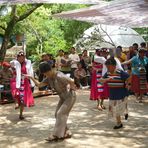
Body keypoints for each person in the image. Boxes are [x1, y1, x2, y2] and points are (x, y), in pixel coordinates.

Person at [25, 61, 76, 142]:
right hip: (62, 98)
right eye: (44, 73)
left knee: (60, 113)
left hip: (70, 97)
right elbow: (39, 85)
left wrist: (72, 87)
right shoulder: (49, 78)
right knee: (57, 114)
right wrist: (31, 77)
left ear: (50, 70)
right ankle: (67, 131)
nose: (45, 75)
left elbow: (71, 81)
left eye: (46, 73)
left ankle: (56, 135)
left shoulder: (59, 75)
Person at [100, 57, 129, 129]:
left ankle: (119, 123)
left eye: (109, 67)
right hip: (112, 94)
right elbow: (101, 80)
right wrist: (107, 79)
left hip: (121, 94)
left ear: (114, 66)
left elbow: (129, 77)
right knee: (114, 109)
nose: (108, 68)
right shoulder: (107, 73)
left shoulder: (121, 72)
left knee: (117, 109)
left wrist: (128, 84)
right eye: (107, 67)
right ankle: (124, 115)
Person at [10, 50, 35, 120]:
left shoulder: (27, 64)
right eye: (20, 57)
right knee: (15, 90)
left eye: (23, 57)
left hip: (25, 81)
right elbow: (10, 64)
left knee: (22, 100)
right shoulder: (14, 63)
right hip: (15, 80)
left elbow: (30, 73)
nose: (22, 58)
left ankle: (21, 114)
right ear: (17, 57)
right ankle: (16, 103)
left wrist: (29, 79)